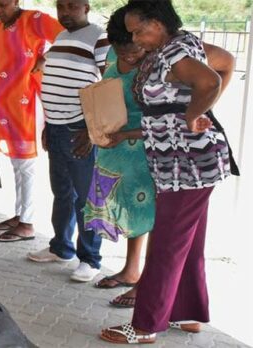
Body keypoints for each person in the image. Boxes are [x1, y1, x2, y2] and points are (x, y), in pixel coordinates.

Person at [100, 0, 233, 343]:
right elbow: (164, 112)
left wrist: (196, 114)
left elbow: (210, 82)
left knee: (166, 245)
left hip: (187, 167)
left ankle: (145, 326)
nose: (135, 37)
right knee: (187, 243)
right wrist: (129, 134)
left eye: (138, 30)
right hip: (181, 164)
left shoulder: (175, 51)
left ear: (157, 23)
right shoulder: (174, 46)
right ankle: (186, 313)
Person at [27, 0, 109, 283]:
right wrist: (49, 124)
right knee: (62, 192)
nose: (65, 12)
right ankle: (61, 247)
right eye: (61, 6)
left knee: (87, 197)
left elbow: (108, 84)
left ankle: (90, 258)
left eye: (72, 6)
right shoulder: (61, 37)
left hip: (79, 129)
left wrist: (91, 128)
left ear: (86, 7)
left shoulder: (99, 37)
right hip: (58, 127)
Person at [83, 6, 153, 300]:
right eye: (122, 50)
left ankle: (147, 282)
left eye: (134, 49)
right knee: (130, 210)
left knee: (149, 214)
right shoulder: (112, 55)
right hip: (115, 147)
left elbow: (165, 118)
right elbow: (107, 94)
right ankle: (131, 269)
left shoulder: (157, 61)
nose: (129, 56)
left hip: (146, 147)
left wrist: (125, 134)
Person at [0, 0, 63, 242]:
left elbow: (67, 35)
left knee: (26, 165)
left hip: (27, 102)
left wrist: (45, 57)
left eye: (4, 4)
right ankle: (19, 214)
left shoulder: (34, 19)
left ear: (17, 1)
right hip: (5, 105)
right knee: (16, 164)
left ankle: (27, 223)